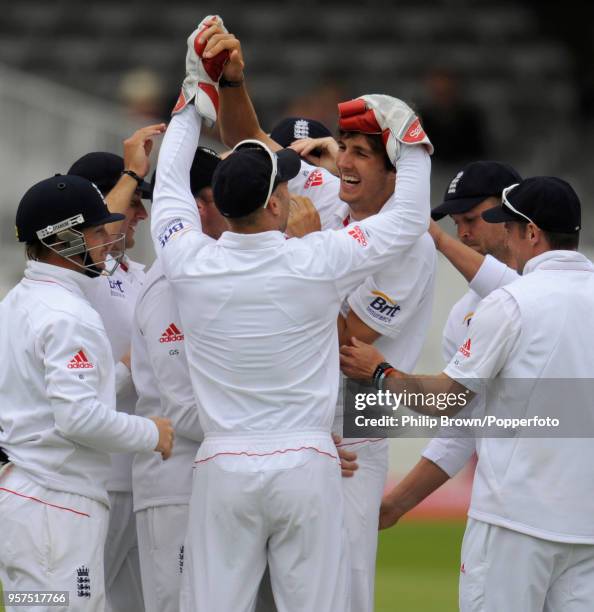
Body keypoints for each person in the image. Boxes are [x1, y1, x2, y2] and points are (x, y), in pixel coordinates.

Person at [151, 15, 431, 612]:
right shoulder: (319, 251)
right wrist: (412, 142)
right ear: (277, 201)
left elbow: (172, 186)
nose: (339, 165)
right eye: (343, 152)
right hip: (309, 451)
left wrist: (188, 100)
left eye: (358, 153)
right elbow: (407, 220)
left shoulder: (187, 257)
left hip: (269, 450)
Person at [340, 176, 594, 612]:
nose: (506, 239)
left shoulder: (512, 302)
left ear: (531, 232)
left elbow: (447, 401)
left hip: (514, 523)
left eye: (508, 226)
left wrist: (380, 371)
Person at [0, 174, 173, 612]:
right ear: (63, 240)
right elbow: (77, 419)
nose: (107, 241)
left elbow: (50, 399)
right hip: (55, 503)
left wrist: (122, 371)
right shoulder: (67, 314)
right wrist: (153, 433)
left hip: (33, 496)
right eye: (96, 232)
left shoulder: (19, 300)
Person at [379, 160, 522, 528]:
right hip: (509, 512)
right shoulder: (463, 315)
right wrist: (394, 505)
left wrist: (381, 374)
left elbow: (521, 295)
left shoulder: (563, 281)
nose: (463, 234)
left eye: (471, 219)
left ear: (511, 209)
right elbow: (460, 426)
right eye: (455, 225)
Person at [68, 123, 165, 612]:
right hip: (93, 476)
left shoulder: (142, 275)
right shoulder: (76, 275)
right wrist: (132, 366)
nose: (142, 217)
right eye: (134, 203)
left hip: (142, 475)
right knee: (71, 601)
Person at [132, 146, 223, 612]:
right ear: (200, 208)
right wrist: (268, 433)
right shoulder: (170, 285)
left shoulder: (204, 275)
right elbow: (184, 409)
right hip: (175, 486)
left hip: (208, 477)